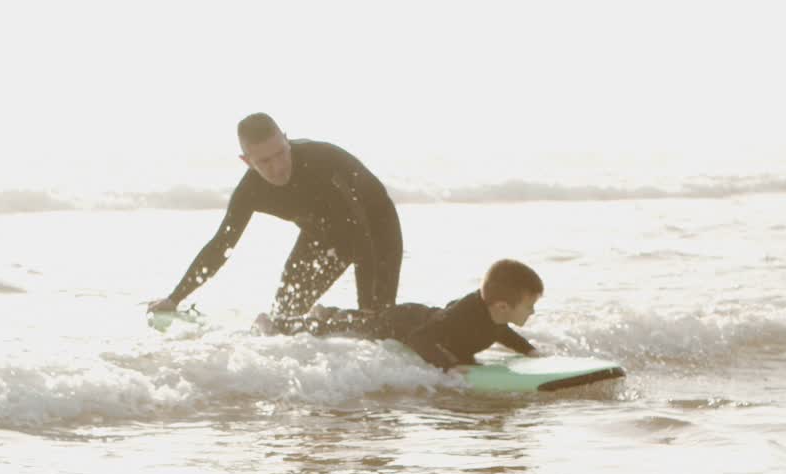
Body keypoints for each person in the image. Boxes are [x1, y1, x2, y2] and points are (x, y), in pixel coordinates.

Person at [147, 113, 403, 317]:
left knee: (375, 319)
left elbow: (362, 233)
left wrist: (368, 308)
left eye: (281, 153)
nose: (278, 167)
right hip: (320, 235)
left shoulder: (323, 161)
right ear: (247, 161)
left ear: (286, 139)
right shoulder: (250, 191)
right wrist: (175, 297)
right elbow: (222, 245)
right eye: (265, 161)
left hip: (375, 229)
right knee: (284, 316)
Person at [254, 259, 544, 371]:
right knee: (347, 328)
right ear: (503, 306)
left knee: (352, 320)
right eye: (529, 306)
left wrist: (528, 350)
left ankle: (325, 313)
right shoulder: (462, 317)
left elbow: (500, 331)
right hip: (400, 323)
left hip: (416, 317)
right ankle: (278, 324)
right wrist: (449, 366)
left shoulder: (494, 317)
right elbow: (420, 339)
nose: (532, 311)